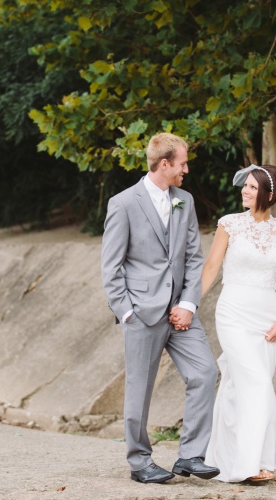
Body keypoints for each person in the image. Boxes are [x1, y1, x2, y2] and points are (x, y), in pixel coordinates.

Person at [101, 132, 220, 484]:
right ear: (164, 164)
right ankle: (140, 463)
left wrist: (188, 303)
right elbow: (111, 266)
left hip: (180, 312)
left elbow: (193, 257)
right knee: (139, 390)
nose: (186, 169)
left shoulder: (184, 199)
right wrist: (126, 312)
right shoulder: (123, 203)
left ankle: (190, 455)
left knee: (205, 374)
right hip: (142, 312)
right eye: (182, 163)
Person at [198, 164, 276, 483]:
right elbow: (211, 268)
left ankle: (230, 459)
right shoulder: (229, 225)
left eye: (253, 187)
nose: (245, 190)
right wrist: (188, 304)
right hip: (233, 313)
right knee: (257, 382)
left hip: (267, 317)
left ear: (268, 194)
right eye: (245, 186)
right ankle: (251, 464)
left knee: (237, 386)